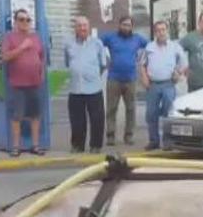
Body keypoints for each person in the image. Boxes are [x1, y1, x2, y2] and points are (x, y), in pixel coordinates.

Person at [1, 9, 46, 157]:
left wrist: (42, 74)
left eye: (28, 20)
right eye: (21, 19)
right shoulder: (9, 38)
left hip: (34, 83)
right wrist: (22, 48)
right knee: (17, 116)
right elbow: (5, 57)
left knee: (35, 115)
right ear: (15, 22)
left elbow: (41, 57)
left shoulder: (36, 38)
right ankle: (16, 146)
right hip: (18, 83)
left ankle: (35, 145)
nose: (25, 23)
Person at [100, 16, 148, 146]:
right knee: (111, 109)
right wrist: (104, 61)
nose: (126, 27)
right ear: (119, 25)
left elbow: (151, 47)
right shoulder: (110, 37)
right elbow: (96, 44)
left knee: (131, 109)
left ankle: (129, 136)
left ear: (132, 27)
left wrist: (144, 64)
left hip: (131, 79)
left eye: (129, 25)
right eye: (124, 25)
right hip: (113, 79)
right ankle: (110, 136)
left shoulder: (138, 39)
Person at [140, 20, 186, 151]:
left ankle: (168, 142)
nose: (161, 32)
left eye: (163, 29)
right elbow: (142, 64)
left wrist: (178, 73)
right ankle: (154, 141)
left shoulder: (175, 47)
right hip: (152, 85)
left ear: (167, 31)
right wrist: (144, 78)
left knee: (168, 114)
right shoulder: (149, 47)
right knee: (151, 114)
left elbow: (184, 63)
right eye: (158, 30)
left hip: (168, 85)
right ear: (155, 32)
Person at [65, 16, 107, 153]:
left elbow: (103, 65)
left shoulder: (97, 43)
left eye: (85, 25)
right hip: (75, 89)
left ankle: (95, 146)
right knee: (77, 120)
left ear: (88, 27)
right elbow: (67, 63)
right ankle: (77, 145)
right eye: (79, 25)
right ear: (75, 28)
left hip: (94, 88)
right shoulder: (68, 44)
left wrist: (92, 75)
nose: (82, 28)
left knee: (97, 120)